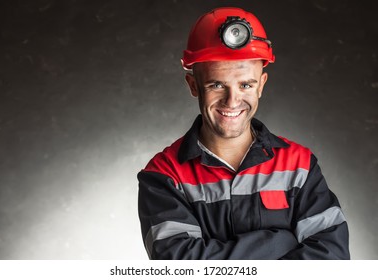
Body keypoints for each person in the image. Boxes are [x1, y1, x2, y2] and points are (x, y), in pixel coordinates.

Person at [137, 7, 350, 260]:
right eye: (216, 85)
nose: (232, 100)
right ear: (194, 86)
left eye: (246, 85)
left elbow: (331, 261)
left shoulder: (299, 166)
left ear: (261, 85)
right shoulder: (164, 175)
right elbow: (181, 268)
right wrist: (280, 242)